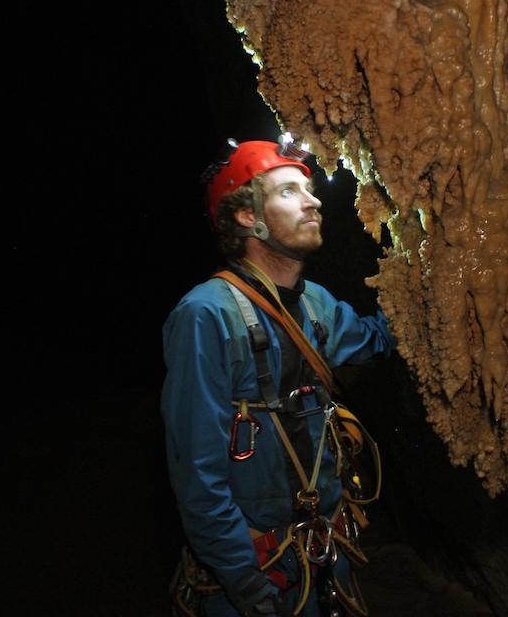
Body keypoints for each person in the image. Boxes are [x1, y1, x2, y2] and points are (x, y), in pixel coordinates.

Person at [162, 135, 395, 617]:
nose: (312, 201)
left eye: (308, 190)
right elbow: (197, 472)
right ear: (248, 216)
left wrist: (423, 285)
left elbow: (376, 339)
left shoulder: (315, 305)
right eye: (289, 191)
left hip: (325, 556)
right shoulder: (207, 315)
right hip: (258, 571)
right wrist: (244, 581)